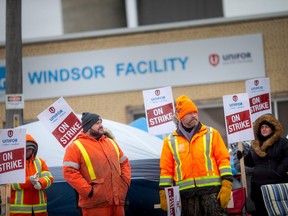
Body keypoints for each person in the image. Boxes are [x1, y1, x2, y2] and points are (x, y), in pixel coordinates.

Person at [159, 95, 233, 216]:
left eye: (195, 112)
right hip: (186, 196)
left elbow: (224, 160)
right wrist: (163, 193)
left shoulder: (212, 134)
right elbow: (166, 170)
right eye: (189, 113)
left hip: (212, 194)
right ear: (180, 117)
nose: (194, 115)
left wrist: (227, 184)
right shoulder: (170, 141)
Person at [62, 112, 131, 216]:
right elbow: (69, 172)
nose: (101, 125)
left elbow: (124, 163)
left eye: (101, 122)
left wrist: (125, 182)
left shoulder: (111, 142)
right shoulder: (76, 146)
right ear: (88, 127)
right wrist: (89, 191)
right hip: (95, 204)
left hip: (117, 202)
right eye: (97, 123)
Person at [237, 113, 288, 216]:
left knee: (278, 212)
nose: (264, 129)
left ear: (273, 128)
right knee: (261, 212)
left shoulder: (282, 142)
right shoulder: (256, 144)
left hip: (276, 184)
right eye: (262, 127)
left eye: (267, 127)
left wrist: (278, 172)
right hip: (258, 186)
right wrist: (241, 156)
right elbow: (250, 163)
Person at [10, 134, 54, 216]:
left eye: (30, 149)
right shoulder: (12, 163)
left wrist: (40, 183)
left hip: (39, 211)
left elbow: (49, 178)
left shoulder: (40, 162)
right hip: (19, 213)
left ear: (34, 150)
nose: (28, 152)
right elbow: (10, 184)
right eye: (25, 149)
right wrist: (29, 181)